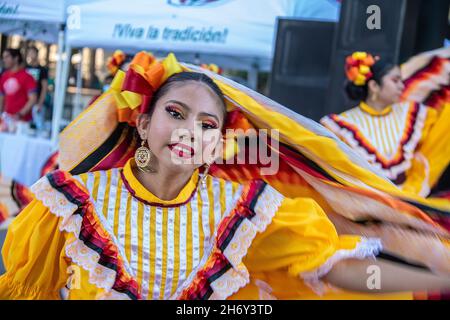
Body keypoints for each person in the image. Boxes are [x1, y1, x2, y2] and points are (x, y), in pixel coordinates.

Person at [0, 52, 449, 300]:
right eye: (175, 113)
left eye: (207, 124)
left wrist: (438, 284)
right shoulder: (72, 203)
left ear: (217, 142)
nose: (189, 132)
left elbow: (334, 269)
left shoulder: (243, 210)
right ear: (141, 122)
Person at [320, 51, 450, 197]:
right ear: (374, 86)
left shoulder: (412, 113)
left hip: (409, 199)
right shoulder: (342, 124)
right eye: (395, 81)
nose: (401, 86)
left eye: (401, 80)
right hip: (364, 201)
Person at [0, 48, 37, 123]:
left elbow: (33, 99)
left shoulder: (27, 77)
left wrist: (20, 114)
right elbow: (1, 97)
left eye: (7, 57)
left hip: (23, 122)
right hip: (6, 120)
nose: (4, 60)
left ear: (16, 58)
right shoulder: (4, 76)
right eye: (3, 57)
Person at [26, 46, 49, 129]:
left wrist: (40, 103)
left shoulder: (42, 69)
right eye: (29, 53)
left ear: (37, 54)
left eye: (32, 53)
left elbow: (44, 87)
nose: (31, 55)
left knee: (38, 125)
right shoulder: (25, 68)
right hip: (26, 103)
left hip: (37, 103)